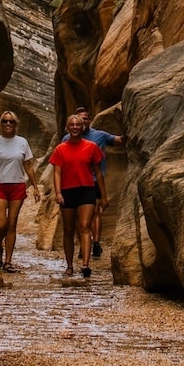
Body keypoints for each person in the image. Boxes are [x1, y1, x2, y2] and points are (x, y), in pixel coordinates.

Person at [58, 106, 124, 259]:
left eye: (85, 119)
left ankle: (95, 242)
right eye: (79, 119)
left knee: (95, 212)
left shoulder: (99, 135)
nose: (82, 122)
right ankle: (85, 244)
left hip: (94, 181)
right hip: (73, 183)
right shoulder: (66, 140)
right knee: (78, 219)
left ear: (89, 120)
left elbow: (118, 140)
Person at [48, 113, 108, 279]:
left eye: (78, 125)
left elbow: (98, 172)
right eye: (72, 125)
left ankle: (86, 264)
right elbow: (57, 172)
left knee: (84, 226)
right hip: (67, 192)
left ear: (82, 127)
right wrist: (58, 192)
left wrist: (103, 196)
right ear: (68, 128)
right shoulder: (60, 149)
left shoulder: (91, 147)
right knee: (68, 230)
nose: (75, 127)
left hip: (86, 190)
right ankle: (69, 266)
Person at [0, 111, 39, 273]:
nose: (8, 124)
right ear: (0, 123)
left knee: (12, 224)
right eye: (5, 121)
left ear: (15, 124)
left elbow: (28, 165)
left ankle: (7, 261)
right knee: (1, 223)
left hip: (17, 185)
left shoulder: (22, 142)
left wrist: (35, 187)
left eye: (11, 122)